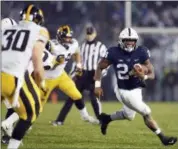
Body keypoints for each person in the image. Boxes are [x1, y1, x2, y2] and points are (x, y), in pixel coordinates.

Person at [94, 27, 177, 146]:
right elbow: (100, 67)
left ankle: (106, 118)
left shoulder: (142, 52)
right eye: (127, 40)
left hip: (136, 89)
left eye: (132, 40)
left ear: (136, 41)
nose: (129, 42)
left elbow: (152, 73)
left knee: (129, 115)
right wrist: (97, 85)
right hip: (123, 90)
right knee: (146, 112)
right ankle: (163, 138)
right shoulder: (113, 52)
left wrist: (144, 76)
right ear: (121, 41)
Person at [1, 4, 49, 148]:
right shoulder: (40, 31)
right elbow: (37, 59)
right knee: (30, 115)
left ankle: (8, 125)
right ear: (39, 19)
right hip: (12, 77)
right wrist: (41, 81)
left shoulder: (8, 29)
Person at [52, 25, 107, 125]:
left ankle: (100, 119)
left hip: (94, 74)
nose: (89, 36)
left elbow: (106, 62)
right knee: (72, 96)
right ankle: (60, 120)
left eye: (91, 33)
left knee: (94, 97)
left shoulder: (101, 46)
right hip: (82, 73)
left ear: (95, 34)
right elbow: (77, 62)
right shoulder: (81, 46)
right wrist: (73, 74)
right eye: (88, 34)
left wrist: (100, 73)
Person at [42, 25, 97, 125]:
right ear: (59, 37)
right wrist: (55, 62)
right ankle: (26, 123)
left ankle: (85, 117)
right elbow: (42, 61)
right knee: (38, 105)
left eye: (69, 37)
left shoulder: (74, 43)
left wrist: (79, 65)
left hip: (61, 75)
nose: (68, 40)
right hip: (47, 77)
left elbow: (76, 53)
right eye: (65, 37)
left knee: (77, 95)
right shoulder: (51, 45)